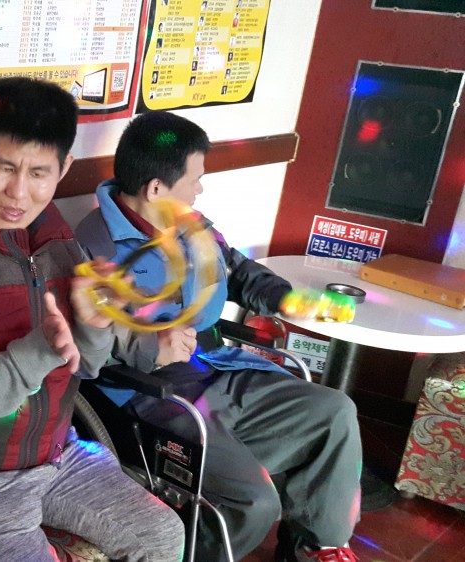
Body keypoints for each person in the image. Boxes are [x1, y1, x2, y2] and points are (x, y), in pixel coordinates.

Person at [0, 78, 184, 562]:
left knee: (164, 534)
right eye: (4, 167)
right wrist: (38, 352)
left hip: (56, 454)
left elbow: (88, 365)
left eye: (39, 172)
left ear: (64, 168)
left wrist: (93, 325)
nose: (18, 193)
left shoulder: (63, 246)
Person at [75, 111, 362, 562]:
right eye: (195, 179)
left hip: (216, 369)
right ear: (156, 189)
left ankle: (316, 548)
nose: (199, 190)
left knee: (333, 413)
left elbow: (239, 271)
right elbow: (88, 336)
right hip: (149, 396)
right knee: (253, 502)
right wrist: (152, 347)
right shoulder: (93, 246)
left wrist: (286, 299)